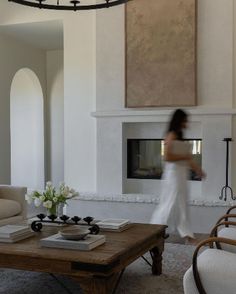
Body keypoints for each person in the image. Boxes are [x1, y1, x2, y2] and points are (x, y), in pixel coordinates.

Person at [150, 109, 205, 243]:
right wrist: (184, 156)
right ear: (180, 120)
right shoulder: (171, 134)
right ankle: (153, 231)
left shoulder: (179, 135)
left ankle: (187, 234)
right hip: (173, 176)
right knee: (169, 203)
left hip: (181, 175)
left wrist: (197, 169)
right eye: (185, 120)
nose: (187, 123)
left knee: (182, 204)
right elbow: (167, 157)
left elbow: (187, 158)